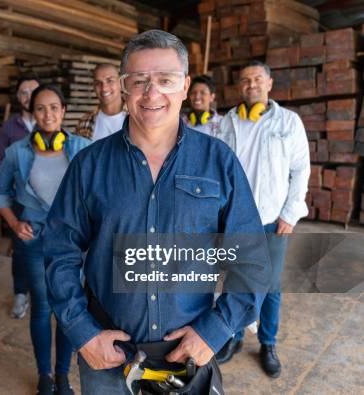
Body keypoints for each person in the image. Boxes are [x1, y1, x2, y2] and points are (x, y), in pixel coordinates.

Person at [43, 30, 270, 395]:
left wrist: (216, 330)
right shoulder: (89, 165)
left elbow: (253, 257)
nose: (152, 93)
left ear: (185, 87)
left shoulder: (219, 162)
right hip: (108, 356)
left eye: (165, 80)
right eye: (139, 81)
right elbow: (59, 250)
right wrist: (82, 332)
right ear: (123, 87)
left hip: (188, 355)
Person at [0, 84, 90, 395]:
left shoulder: (83, 149)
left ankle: (63, 376)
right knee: (43, 307)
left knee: (67, 308)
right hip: (32, 239)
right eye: (41, 108)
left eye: (54, 108)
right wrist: (14, 222)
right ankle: (44, 376)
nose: (48, 114)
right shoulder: (17, 152)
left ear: (63, 112)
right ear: (32, 114)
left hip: (71, 242)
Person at [214, 61, 310, 378]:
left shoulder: (288, 122)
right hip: (236, 221)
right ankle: (235, 336)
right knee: (234, 281)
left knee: (269, 285)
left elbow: (301, 169)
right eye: (245, 80)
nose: (251, 85)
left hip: (272, 220)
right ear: (239, 87)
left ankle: (267, 343)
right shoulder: (229, 120)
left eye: (257, 79)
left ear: (269, 83)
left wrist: (290, 213)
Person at [0, 76, 40, 320]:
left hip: (46, 199)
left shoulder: (49, 122)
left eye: (33, 91)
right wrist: (9, 176)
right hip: (20, 199)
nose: (28, 96)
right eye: (23, 92)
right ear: (19, 98)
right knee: (21, 247)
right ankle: (21, 293)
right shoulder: (11, 127)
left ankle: (46, 293)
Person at [75, 63, 127, 141]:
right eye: (98, 83)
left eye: (110, 81)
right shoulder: (85, 122)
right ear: (94, 87)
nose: (104, 88)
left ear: (120, 83)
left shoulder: (136, 115)